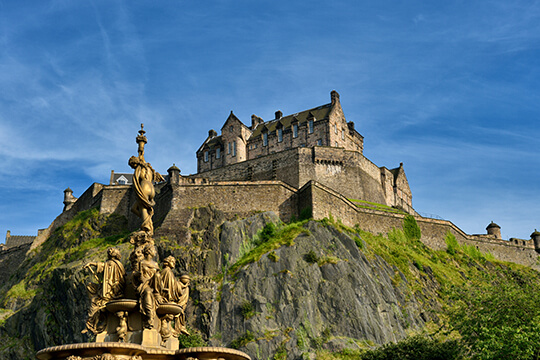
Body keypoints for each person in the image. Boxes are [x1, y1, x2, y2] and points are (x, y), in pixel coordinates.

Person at [83, 247, 125, 334]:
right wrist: (91, 264)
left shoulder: (115, 264)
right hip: (106, 288)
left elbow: (121, 279)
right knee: (90, 287)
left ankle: (91, 324)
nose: (109, 252)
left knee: (95, 302)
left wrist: (115, 285)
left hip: (111, 290)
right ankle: (91, 324)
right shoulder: (109, 263)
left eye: (111, 251)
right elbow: (102, 265)